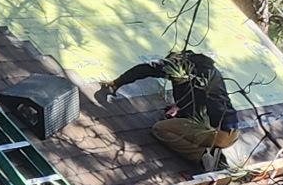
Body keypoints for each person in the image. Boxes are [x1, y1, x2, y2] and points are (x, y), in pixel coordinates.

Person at [99, 49, 240, 162]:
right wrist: (179, 107)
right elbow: (201, 101)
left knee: (160, 129)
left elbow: (145, 69)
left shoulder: (177, 67)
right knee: (178, 120)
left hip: (215, 132)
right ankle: (211, 147)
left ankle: (200, 154)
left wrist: (116, 82)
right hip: (232, 133)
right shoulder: (209, 72)